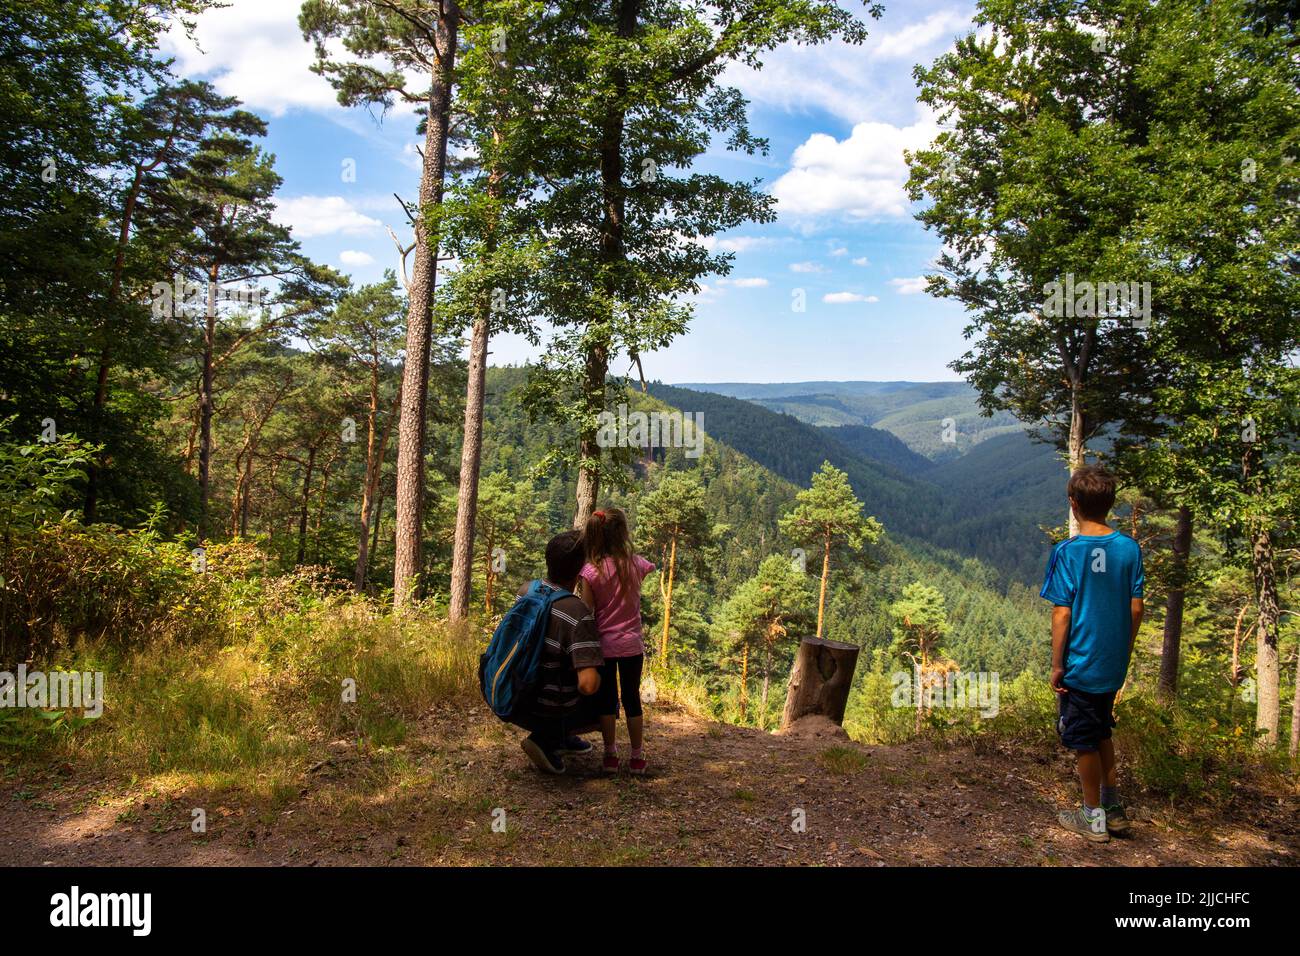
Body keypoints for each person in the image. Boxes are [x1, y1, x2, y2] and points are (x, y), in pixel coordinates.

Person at [1041, 465, 1145, 842]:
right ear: (1111, 504)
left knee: (1083, 737)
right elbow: (1136, 608)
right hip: (1112, 660)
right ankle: (1113, 808)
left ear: (1073, 504)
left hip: (1080, 662)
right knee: (1102, 730)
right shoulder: (1128, 548)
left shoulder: (1067, 552)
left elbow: (1062, 612)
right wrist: (1122, 646)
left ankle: (1092, 817)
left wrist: (1056, 664)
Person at [513, 530, 604, 775]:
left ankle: (560, 736)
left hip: (515, 693)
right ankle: (549, 736)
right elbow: (587, 685)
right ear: (580, 570)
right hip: (545, 704)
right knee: (601, 685)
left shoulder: (526, 590)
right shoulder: (577, 612)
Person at [578, 507, 655, 775]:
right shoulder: (636, 564)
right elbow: (648, 569)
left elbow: (587, 610)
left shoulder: (590, 572)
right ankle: (636, 757)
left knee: (607, 700)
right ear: (622, 534)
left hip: (605, 647)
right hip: (632, 645)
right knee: (632, 699)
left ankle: (610, 755)